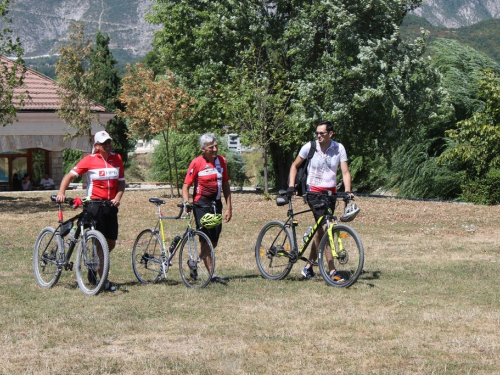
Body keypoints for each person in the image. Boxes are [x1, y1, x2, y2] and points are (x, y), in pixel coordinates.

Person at [56, 130, 125, 292]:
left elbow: (121, 183)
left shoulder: (117, 159)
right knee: (99, 241)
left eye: (109, 142)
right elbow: (69, 176)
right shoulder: (89, 160)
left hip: (111, 206)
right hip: (94, 204)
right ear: (97, 146)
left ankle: (96, 264)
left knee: (111, 243)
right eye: (104, 143)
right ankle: (101, 278)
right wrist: (61, 192)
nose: (108, 145)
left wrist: (118, 197)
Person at [287, 120, 353, 281]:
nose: (318, 136)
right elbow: (295, 166)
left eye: (321, 133)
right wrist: (291, 185)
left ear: (330, 134)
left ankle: (308, 266)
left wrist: (348, 191)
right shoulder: (309, 147)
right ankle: (331, 271)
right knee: (326, 227)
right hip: (313, 192)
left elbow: (345, 172)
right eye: (316, 133)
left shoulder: (339, 148)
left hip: (330, 194)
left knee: (321, 230)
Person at [182, 132, 233, 285]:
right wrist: (187, 202)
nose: (215, 149)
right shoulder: (196, 163)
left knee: (214, 241)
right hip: (201, 205)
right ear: (203, 149)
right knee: (206, 238)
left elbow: (225, 185)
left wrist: (229, 207)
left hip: (216, 204)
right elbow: (186, 186)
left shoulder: (222, 161)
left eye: (216, 146)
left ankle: (195, 261)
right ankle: (211, 273)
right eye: (212, 147)